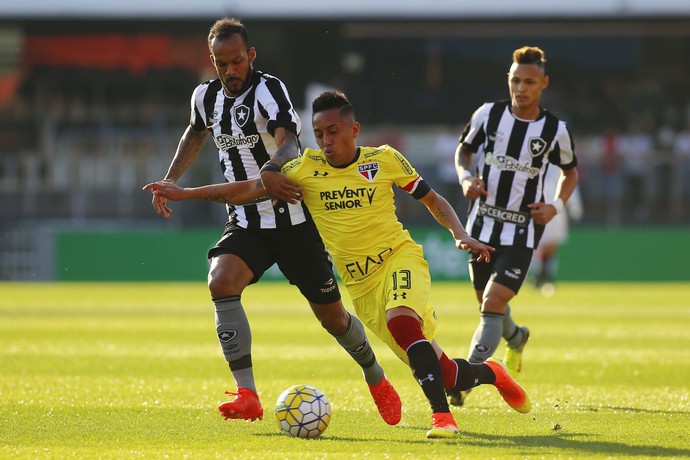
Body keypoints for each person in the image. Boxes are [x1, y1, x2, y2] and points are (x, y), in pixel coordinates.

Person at [145, 90, 531, 439]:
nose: (326, 141)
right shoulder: (304, 169)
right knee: (445, 371)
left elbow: (433, 200)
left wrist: (459, 233)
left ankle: (442, 418)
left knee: (402, 320)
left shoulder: (384, 160)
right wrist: (186, 193)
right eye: (319, 133)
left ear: (354, 129)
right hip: (361, 286)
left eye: (333, 131)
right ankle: (492, 373)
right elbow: (247, 189)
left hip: (399, 257)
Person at [147, 17, 401, 426]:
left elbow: (289, 141)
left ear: (250, 55)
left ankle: (376, 376)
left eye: (235, 61)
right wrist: (171, 177)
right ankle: (247, 393)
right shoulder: (205, 97)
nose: (229, 71)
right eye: (220, 63)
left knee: (333, 318)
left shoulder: (269, 90)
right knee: (220, 280)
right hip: (246, 221)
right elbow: (195, 133)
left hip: (295, 221)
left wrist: (270, 168)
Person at [451, 46, 579, 405]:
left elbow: (570, 174)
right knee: (487, 305)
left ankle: (464, 381)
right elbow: (464, 151)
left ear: (543, 84)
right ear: (509, 80)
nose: (521, 88)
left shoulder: (555, 130)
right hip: (481, 227)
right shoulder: (488, 115)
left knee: (492, 302)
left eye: (529, 82)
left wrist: (555, 206)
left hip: (522, 231)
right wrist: (465, 178)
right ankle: (517, 337)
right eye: (516, 80)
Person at [530, 164, 583, 296]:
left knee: (552, 244)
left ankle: (548, 275)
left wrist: (574, 205)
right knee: (540, 244)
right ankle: (538, 275)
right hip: (540, 205)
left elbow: (570, 180)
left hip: (556, 207)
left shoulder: (561, 159)